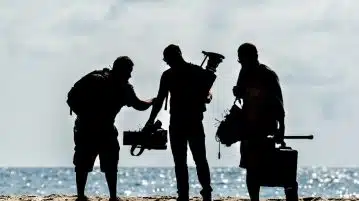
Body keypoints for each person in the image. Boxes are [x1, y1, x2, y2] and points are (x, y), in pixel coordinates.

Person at [67, 56, 155, 201]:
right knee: (100, 164)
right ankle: (109, 197)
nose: (130, 75)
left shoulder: (104, 81)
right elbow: (139, 105)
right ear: (121, 70)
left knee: (91, 164)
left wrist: (84, 117)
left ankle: (87, 196)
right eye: (129, 71)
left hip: (90, 129)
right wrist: (153, 101)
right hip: (95, 130)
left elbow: (71, 98)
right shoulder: (118, 86)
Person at [144, 44, 214, 201]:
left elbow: (160, 100)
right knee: (196, 159)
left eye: (168, 60)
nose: (168, 63)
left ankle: (187, 194)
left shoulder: (169, 75)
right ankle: (201, 193)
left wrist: (150, 121)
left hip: (182, 122)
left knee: (185, 161)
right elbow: (208, 94)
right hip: (189, 121)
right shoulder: (194, 71)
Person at [232, 43, 298, 201]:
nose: (241, 63)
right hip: (248, 129)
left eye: (243, 60)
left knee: (271, 167)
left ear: (253, 57)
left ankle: (289, 193)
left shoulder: (268, 75)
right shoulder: (244, 73)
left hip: (265, 128)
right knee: (251, 168)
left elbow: (278, 104)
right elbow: (240, 97)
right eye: (240, 61)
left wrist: (281, 129)